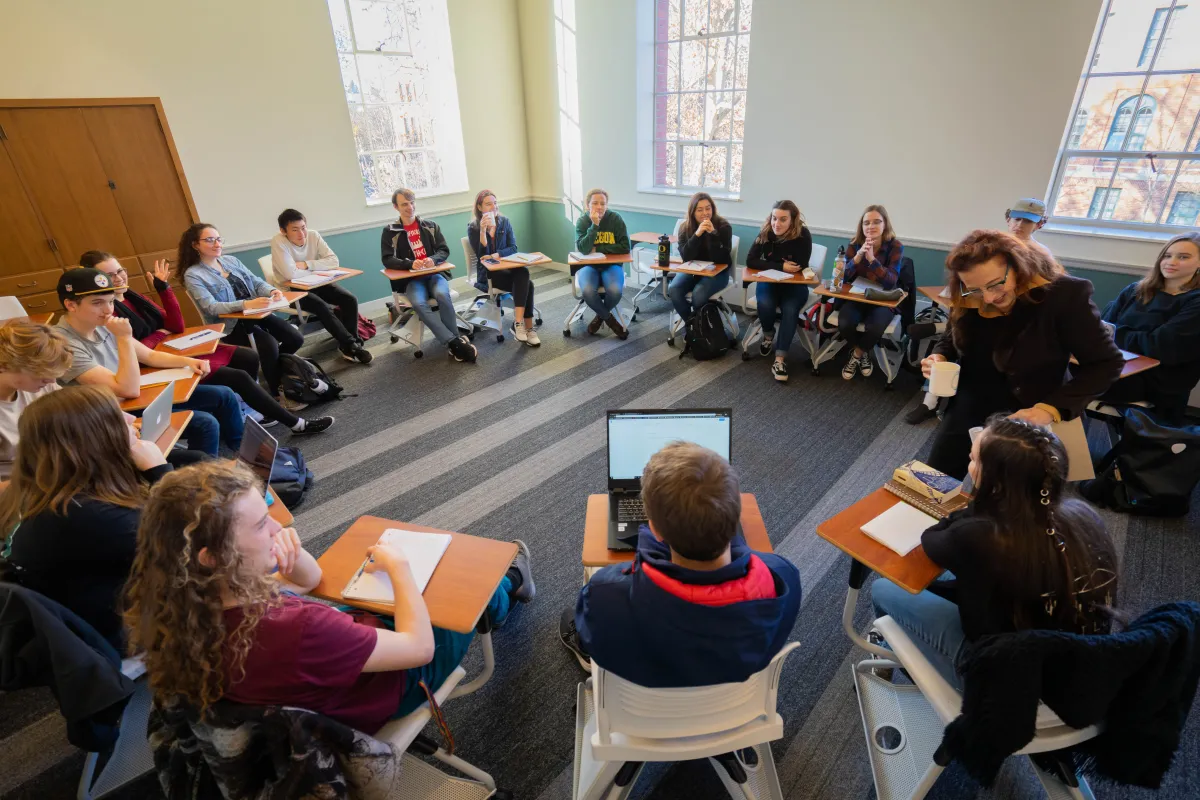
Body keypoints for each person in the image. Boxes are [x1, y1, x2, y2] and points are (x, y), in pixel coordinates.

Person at [123, 460, 535, 733]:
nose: (275, 531)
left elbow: (310, 579)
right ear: (212, 556)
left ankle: (502, 588)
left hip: (321, 683)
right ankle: (508, 587)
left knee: (375, 595)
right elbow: (419, 647)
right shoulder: (297, 629)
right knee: (460, 592)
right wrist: (401, 568)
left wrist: (289, 556)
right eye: (261, 525)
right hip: (390, 689)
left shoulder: (187, 603)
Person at [872, 416, 1119, 689]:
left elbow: (931, 539)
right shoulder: (1084, 517)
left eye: (974, 460)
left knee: (883, 587)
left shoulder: (979, 533)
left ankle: (893, 653)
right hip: (1076, 664)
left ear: (996, 482)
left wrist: (978, 503)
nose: (969, 463)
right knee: (944, 581)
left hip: (999, 675)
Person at [559, 442, 801, 687]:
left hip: (642, 714)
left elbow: (594, 637)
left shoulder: (605, 594)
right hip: (739, 710)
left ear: (653, 528)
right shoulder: (783, 577)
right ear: (736, 513)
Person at [922, 230, 1123, 479]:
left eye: (996, 284)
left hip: (1030, 409)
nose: (989, 297)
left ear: (1019, 266)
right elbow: (952, 336)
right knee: (936, 481)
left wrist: (1049, 409)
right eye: (976, 290)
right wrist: (940, 356)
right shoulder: (967, 291)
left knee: (1011, 496)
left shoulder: (1063, 296)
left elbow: (1107, 363)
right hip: (970, 401)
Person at [0, 385, 173, 651]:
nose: (130, 418)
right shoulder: (88, 516)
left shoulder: (48, 489)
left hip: (91, 611)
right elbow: (193, 542)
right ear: (93, 440)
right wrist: (160, 471)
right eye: (116, 417)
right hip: (117, 633)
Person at [84, 252, 334, 435]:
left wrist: (164, 289)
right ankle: (293, 422)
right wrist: (159, 334)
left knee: (249, 357)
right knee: (238, 376)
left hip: (172, 349)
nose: (117, 277)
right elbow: (140, 348)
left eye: (120, 271)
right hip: (151, 366)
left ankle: (248, 407)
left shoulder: (132, 297)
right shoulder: (106, 312)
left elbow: (174, 325)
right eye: (109, 275)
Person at [55, 267, 244, 456]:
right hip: (111, 415)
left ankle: (243, 453)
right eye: (97, 303)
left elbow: (148, 355)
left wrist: (187, 361)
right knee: (205, 423)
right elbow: (127, 389)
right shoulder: (63, 345)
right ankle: (197, 477)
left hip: (132, 401)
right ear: (71, 305)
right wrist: (123, 338)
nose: (107, 310)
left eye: (111, 301)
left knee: (224, 395)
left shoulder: (100, 323)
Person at [180, 223, 307, 405]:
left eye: (218, 239)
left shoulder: (231, 261)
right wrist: (246, 303)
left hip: (258, 313)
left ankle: (273, 369)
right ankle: (276, 394)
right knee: (269, 345)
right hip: (232, 324)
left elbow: (256, 282)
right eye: (209, 240)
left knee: (295, 338)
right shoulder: (193, 275)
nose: (217, 244)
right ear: (195, 245)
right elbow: (211, 307)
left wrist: (272, 292)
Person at [1099, 232, 1200, 423]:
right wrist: (1133, 337)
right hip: (1117, 363)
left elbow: (1160, 347)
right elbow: (1103, 328)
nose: (1171, 262)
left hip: (1158, 380)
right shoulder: (1136, 290)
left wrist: (1119, 333)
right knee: (1053, 368)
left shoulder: (1195, 302)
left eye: (1183, 257)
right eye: (1167, 255)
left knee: (1070, 380)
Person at [382, 188, 477, 363]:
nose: (410, 207)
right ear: (396, 207)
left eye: (412, 203)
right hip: (411, 280)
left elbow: (444, 250)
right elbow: (387, 259)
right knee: (418, 303)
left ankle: (453, 341)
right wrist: (409, 263)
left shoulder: (431, 226)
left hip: (434, 275)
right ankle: (454, 342)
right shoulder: (390, 231)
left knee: (442, 294)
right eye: (404, 204)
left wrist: (432, 259)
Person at [270, 209, 372, 364]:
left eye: (303, 227)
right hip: (290, 290)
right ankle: (351, 345)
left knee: (349, 299)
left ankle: (350, 343)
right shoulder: (278, 241)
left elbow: (333, 261)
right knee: (322, 306)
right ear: (283, 231)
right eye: (295, 230)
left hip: (317, 282)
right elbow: (290, 275)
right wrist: (318, 267)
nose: (302, 234)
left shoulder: (313, 235)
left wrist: (305, 265)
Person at [745, 200, 814, 383]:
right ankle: (768, 335)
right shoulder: (766, 231)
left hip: (795, 285)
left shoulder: (803, 235)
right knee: (765, 303)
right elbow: (750, 260)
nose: (777, 223)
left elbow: (800, 265)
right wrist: (780, 265)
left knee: (790, 310)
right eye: (774, 218)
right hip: (770, 281)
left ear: (792, 220)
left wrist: (776, 265)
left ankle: (780, 359)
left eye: (783, 219)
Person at [0, 320, 71, 483]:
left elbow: (74, 412)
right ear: (4, 365)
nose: (51, 379)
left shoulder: (41, 385)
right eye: (40, 372)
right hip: (18, 492)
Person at [467, 190, 540, 347]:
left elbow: (513, 248)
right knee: (528, 284)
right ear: (479, 207)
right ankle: (526, 326)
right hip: (488, 274)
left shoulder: (504, 222)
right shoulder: (473, 227)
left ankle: (519, 323)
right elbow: (481, 256)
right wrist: (482, 231)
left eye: (495, 202)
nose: (493, 206)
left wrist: (496, 255)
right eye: (488, 204)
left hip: (507, 268)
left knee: (523, 273)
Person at [839, 205, 904, 380]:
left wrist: (872, 260)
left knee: (876, 326)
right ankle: (863, 351)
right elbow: (842, 278)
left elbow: (891, 282)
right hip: (858, 295)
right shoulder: (854, 244)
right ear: (861, 226)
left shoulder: (895, 246)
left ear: (885, 225)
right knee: (844, 322)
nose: (871, 226)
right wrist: (858, 256)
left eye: (877, 222)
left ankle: (858, 354)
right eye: (866, 223)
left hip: (882, 298)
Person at [573, 188, 630, 340]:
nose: (599, 207)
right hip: (588, 266)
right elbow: (583, 249)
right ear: (587, 205)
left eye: (603, 203)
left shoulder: (615, 219)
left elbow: (625, 246)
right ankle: (610, 320)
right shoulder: (582, 221)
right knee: (588, 291)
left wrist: (598, 248)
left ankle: (599, 317)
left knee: (615, 291)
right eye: (595, 203)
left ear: (607, 205)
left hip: (611, 265)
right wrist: (594, 226)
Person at [669, 192, 733, 323]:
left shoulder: (723, 226)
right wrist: (697, 235)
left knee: (698, 294)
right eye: (700, 210)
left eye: (708, 208)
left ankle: (698, 329)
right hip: (692, 270)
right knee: (673, 289)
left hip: (717, 272)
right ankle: (693, 326)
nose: (705, 213)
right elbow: (686, 257)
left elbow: (723, 259)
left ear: (713, 209)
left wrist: (713, 234)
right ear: (692, 212)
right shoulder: (684, 228)